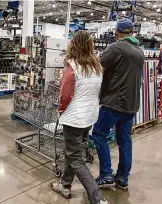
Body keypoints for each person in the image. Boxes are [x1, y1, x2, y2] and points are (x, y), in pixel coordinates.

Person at [50, 30, 108, 204]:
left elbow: (65, 94)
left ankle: (96, 197)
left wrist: (60, 111)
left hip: (74, 117)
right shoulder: (96, 65)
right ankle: (65, 185)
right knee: (73, 151)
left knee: (75, 157)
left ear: (73, 44)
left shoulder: (72, 65)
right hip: (89, 116)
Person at [91, 18, 145, 190]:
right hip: (131, 104)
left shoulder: (117, 47)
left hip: (114, 102)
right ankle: (122, 178)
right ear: (132, 32)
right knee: (125, 140)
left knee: (99, 134)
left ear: (117, 33)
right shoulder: (139, 50)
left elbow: (97, 66)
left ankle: (106, 174)